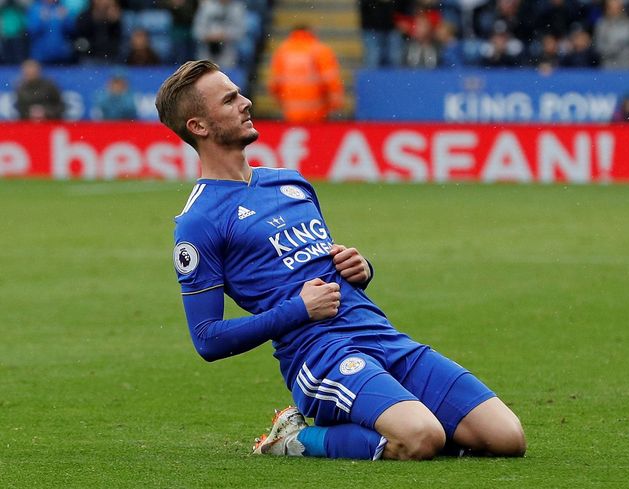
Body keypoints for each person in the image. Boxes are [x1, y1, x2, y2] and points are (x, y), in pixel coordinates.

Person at [155, 59, 526, 461]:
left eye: (239, 93)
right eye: (229, 100)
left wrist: (360, 269)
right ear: (199, 127)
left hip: (378, 333)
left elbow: (322, 270)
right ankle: (296, 440)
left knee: (506, 438)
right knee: (420, 438)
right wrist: (297, 310)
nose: (246, 102)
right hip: (319, 354)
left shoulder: (289, 182)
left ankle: (380, 417)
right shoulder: (199, 221)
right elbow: (207, 339)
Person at [268, 25, 345, 123]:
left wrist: (280, 103)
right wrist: (335, 105)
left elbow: (275, 84)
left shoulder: (282, 51)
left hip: (291, 112)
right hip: (317, 112)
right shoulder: (320, 50)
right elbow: (330, 80)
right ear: (310, 32)